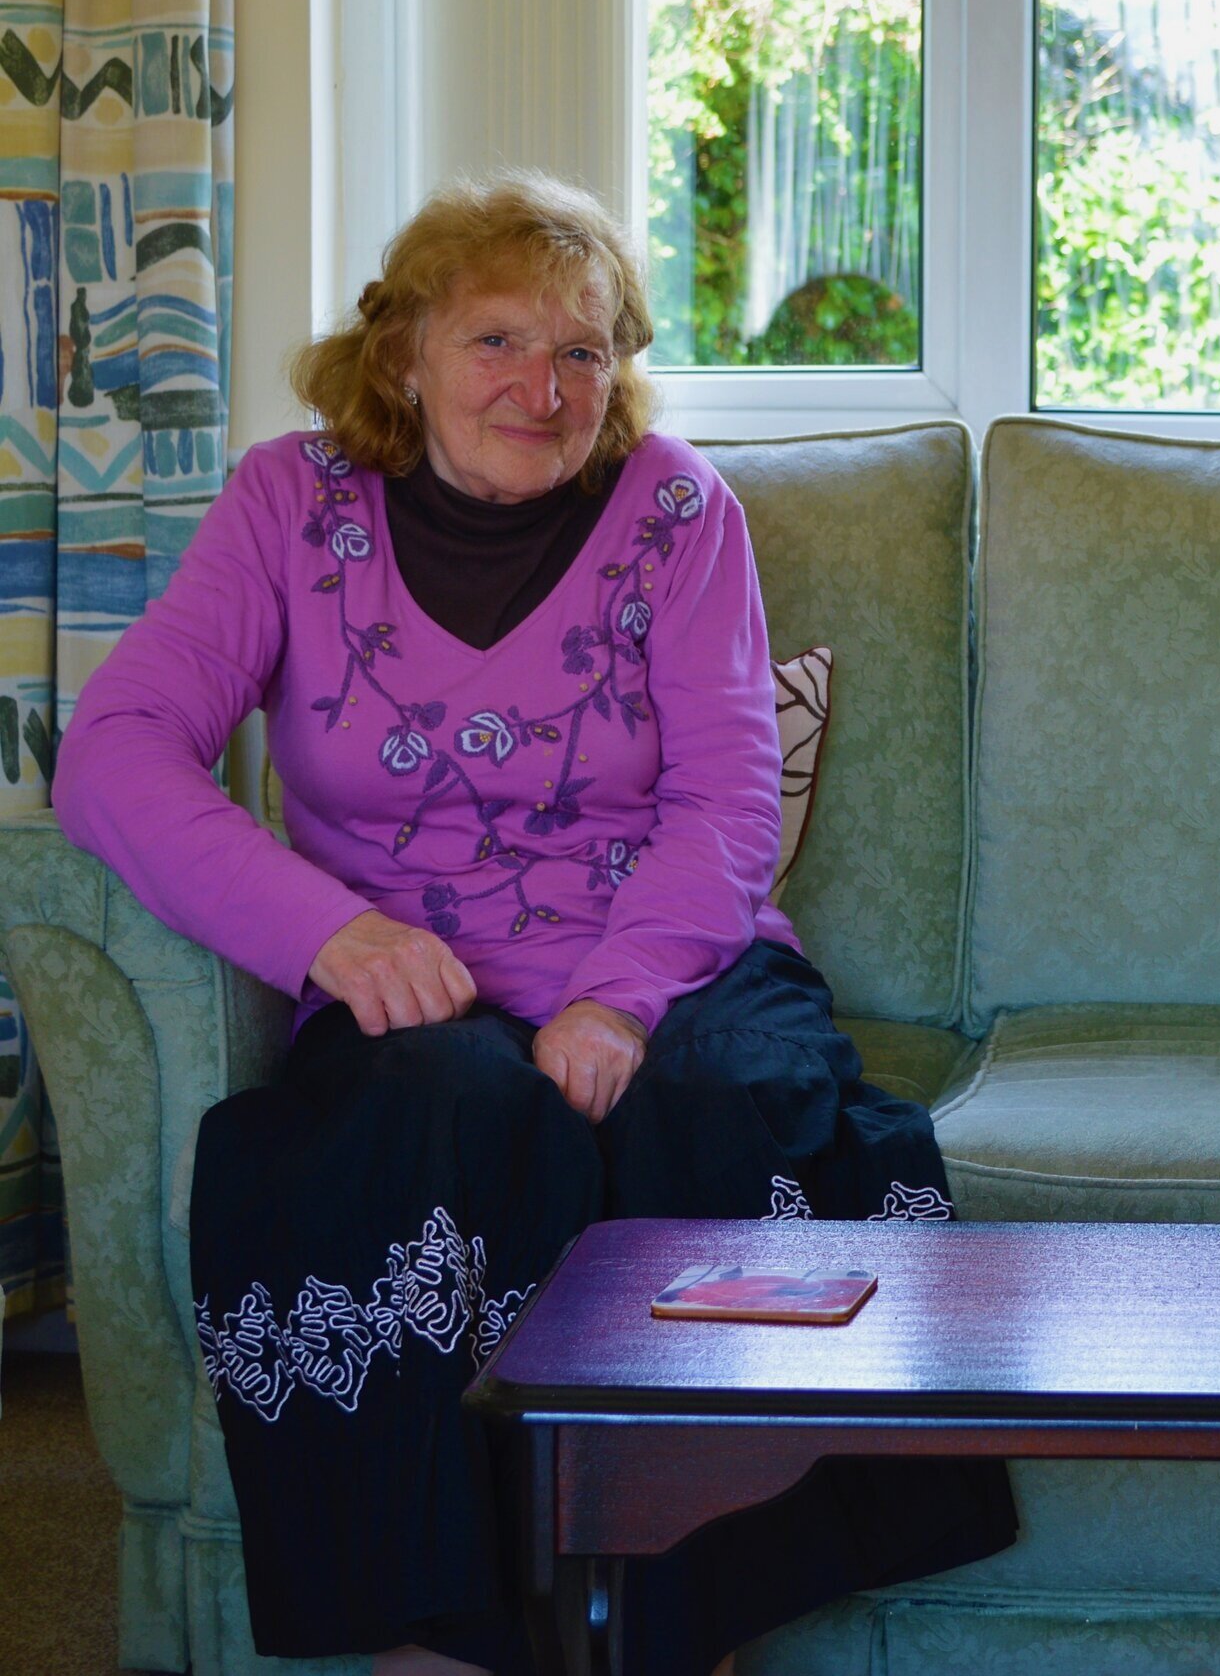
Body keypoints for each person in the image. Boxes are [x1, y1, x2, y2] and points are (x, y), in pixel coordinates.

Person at [53, 174, 1015, 1676]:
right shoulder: (285, 506)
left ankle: (680, 1637)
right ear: (405, 358)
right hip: (410, 979)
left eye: (583, 352)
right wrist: (329, 935)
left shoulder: (679, 511)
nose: (542, 384)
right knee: (424, 1124)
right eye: (497, 340)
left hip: (676, 954)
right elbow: (111, 752)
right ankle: (428, 1648)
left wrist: (624, 996)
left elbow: (725, 801)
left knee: (725, 1105)